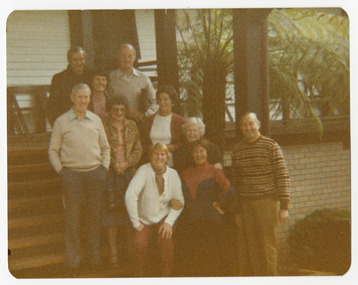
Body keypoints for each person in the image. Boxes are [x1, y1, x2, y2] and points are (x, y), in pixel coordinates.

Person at [48, 83, 110, 277]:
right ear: (72, 98)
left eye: (86, 97)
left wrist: (104, 169)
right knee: (73, 220)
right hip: (72, 176)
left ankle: (94, 259)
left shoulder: (96, 120)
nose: (83, 100)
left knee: (94, 218)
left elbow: (106, 147)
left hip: (95, 175)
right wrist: (62, 171)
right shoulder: (61, 121)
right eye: (80, 97)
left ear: (90, 98)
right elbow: (52, 150)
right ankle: (73, 262)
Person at [231, 112, 290, 276]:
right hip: (245, 204)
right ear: (241, 128)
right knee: (251, 246)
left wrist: (284, 207)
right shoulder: (237, 150)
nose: (248, 127)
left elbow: (282, 175)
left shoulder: (271, 146)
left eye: (251, 123)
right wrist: (237, 210)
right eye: (244, 124)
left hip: (266, 202)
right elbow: (235, 183)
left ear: (258, 124)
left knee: (267, 245)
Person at [125, 143, 184, 277]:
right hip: (144, 218)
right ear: (150, 156)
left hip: (163, 215)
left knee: (166, 240)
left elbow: (180, 201)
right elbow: (130, 195)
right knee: (139, 244)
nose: (159, 157)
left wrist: (169, 222)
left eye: (162, 154)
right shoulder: (143, 171)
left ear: (167, 158)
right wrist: (135, 222)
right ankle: (139, 277)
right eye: (155, 154)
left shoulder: (173, 174)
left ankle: (166, 276)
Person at [176, 139, 233, 277]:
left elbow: (229, 189)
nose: (198, 154)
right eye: (195, 151)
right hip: (191, 223)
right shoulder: (186, 173)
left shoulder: (214, 170)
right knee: (195, 261)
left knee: (212, 260)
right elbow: (177, 193)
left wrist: (219, 204)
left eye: (201, 151)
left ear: (207, 153)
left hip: (211, 223)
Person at [102, 96, 143, 268]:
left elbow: (138, 148)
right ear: (109, 110)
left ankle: (129, 252)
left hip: (128, 173)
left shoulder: (132, 126)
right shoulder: (103, 127)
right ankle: (113, 255)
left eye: (122, 109)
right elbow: (100, 147)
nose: (119, 113)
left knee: (128, 213)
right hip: (110, 174)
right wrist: (114, 164)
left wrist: (127, 163)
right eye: (115, 109)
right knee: (111, 214)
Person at [108, 43, 158, 124]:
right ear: (118, 56)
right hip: (116, 124)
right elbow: (106, 103)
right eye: (123, 56)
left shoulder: (143, 78)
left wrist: (143, 115)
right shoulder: (111, 78)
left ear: (135, 57)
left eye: (130, 56)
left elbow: (155, 102)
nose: (126, 59)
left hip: (139, 124)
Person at [142, 85, 186, 167]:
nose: (162, 102)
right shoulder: (148, 121)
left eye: (165, 99)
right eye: (160, 99)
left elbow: (185, 144)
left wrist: (172, 147)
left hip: (173, 165)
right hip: (151, 163)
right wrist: (152, 149)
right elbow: (142, 143)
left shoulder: (180, 122)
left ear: (172, 102)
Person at [47, 46, 93, 126]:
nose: (79, 63)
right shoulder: (59, 79)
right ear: (69, 61)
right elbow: (52, 107)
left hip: (88, 122)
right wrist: (57, 126)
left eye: (81, 59)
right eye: (75, 60)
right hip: (67, 123)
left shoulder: (91, 76)